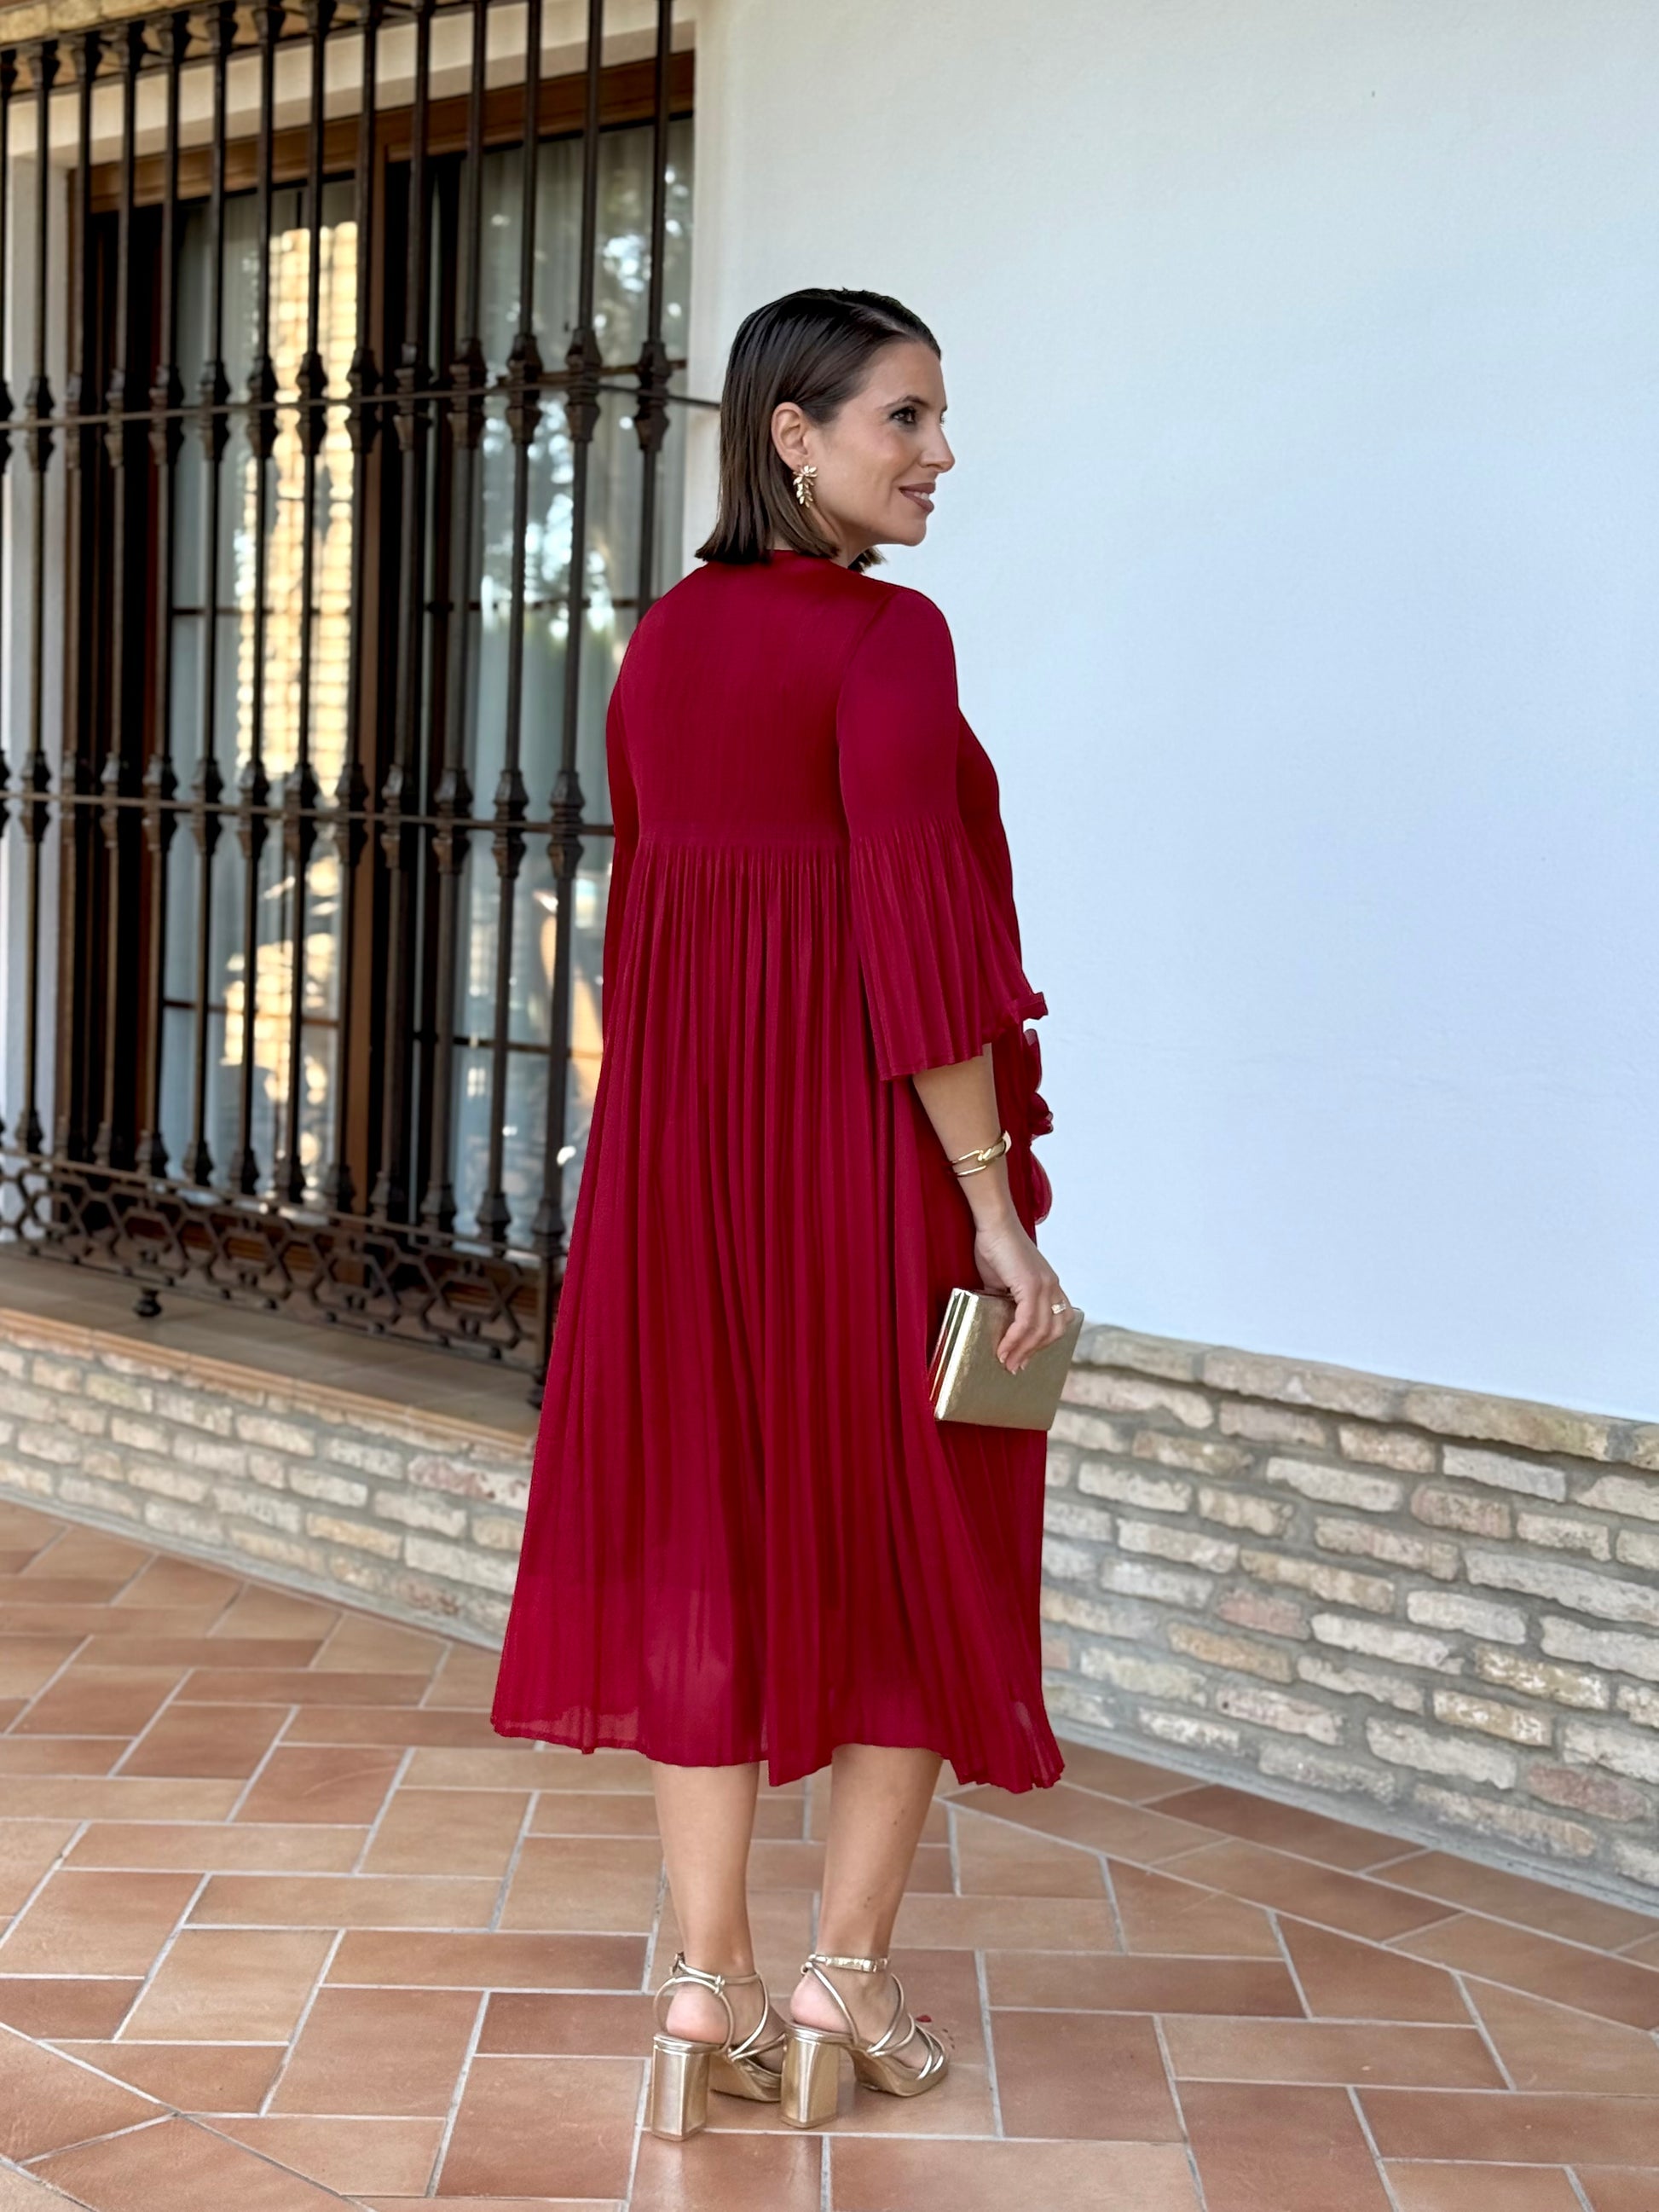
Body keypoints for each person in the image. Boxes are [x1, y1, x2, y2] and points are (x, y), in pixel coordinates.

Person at [491, 287, 1072, 2140]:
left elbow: (653, 929)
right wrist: (991, 1209)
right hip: (865, 1170)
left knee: (707, 1545)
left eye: (938, 416)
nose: (941, 453)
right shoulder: (890, 639)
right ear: (791, 436)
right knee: (915, 1543)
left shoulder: (660, 642)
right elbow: (922, 953)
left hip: (686, 1178)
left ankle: (704, 1992)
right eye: (906, 416)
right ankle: (845, 1984)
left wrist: (670, 1157)